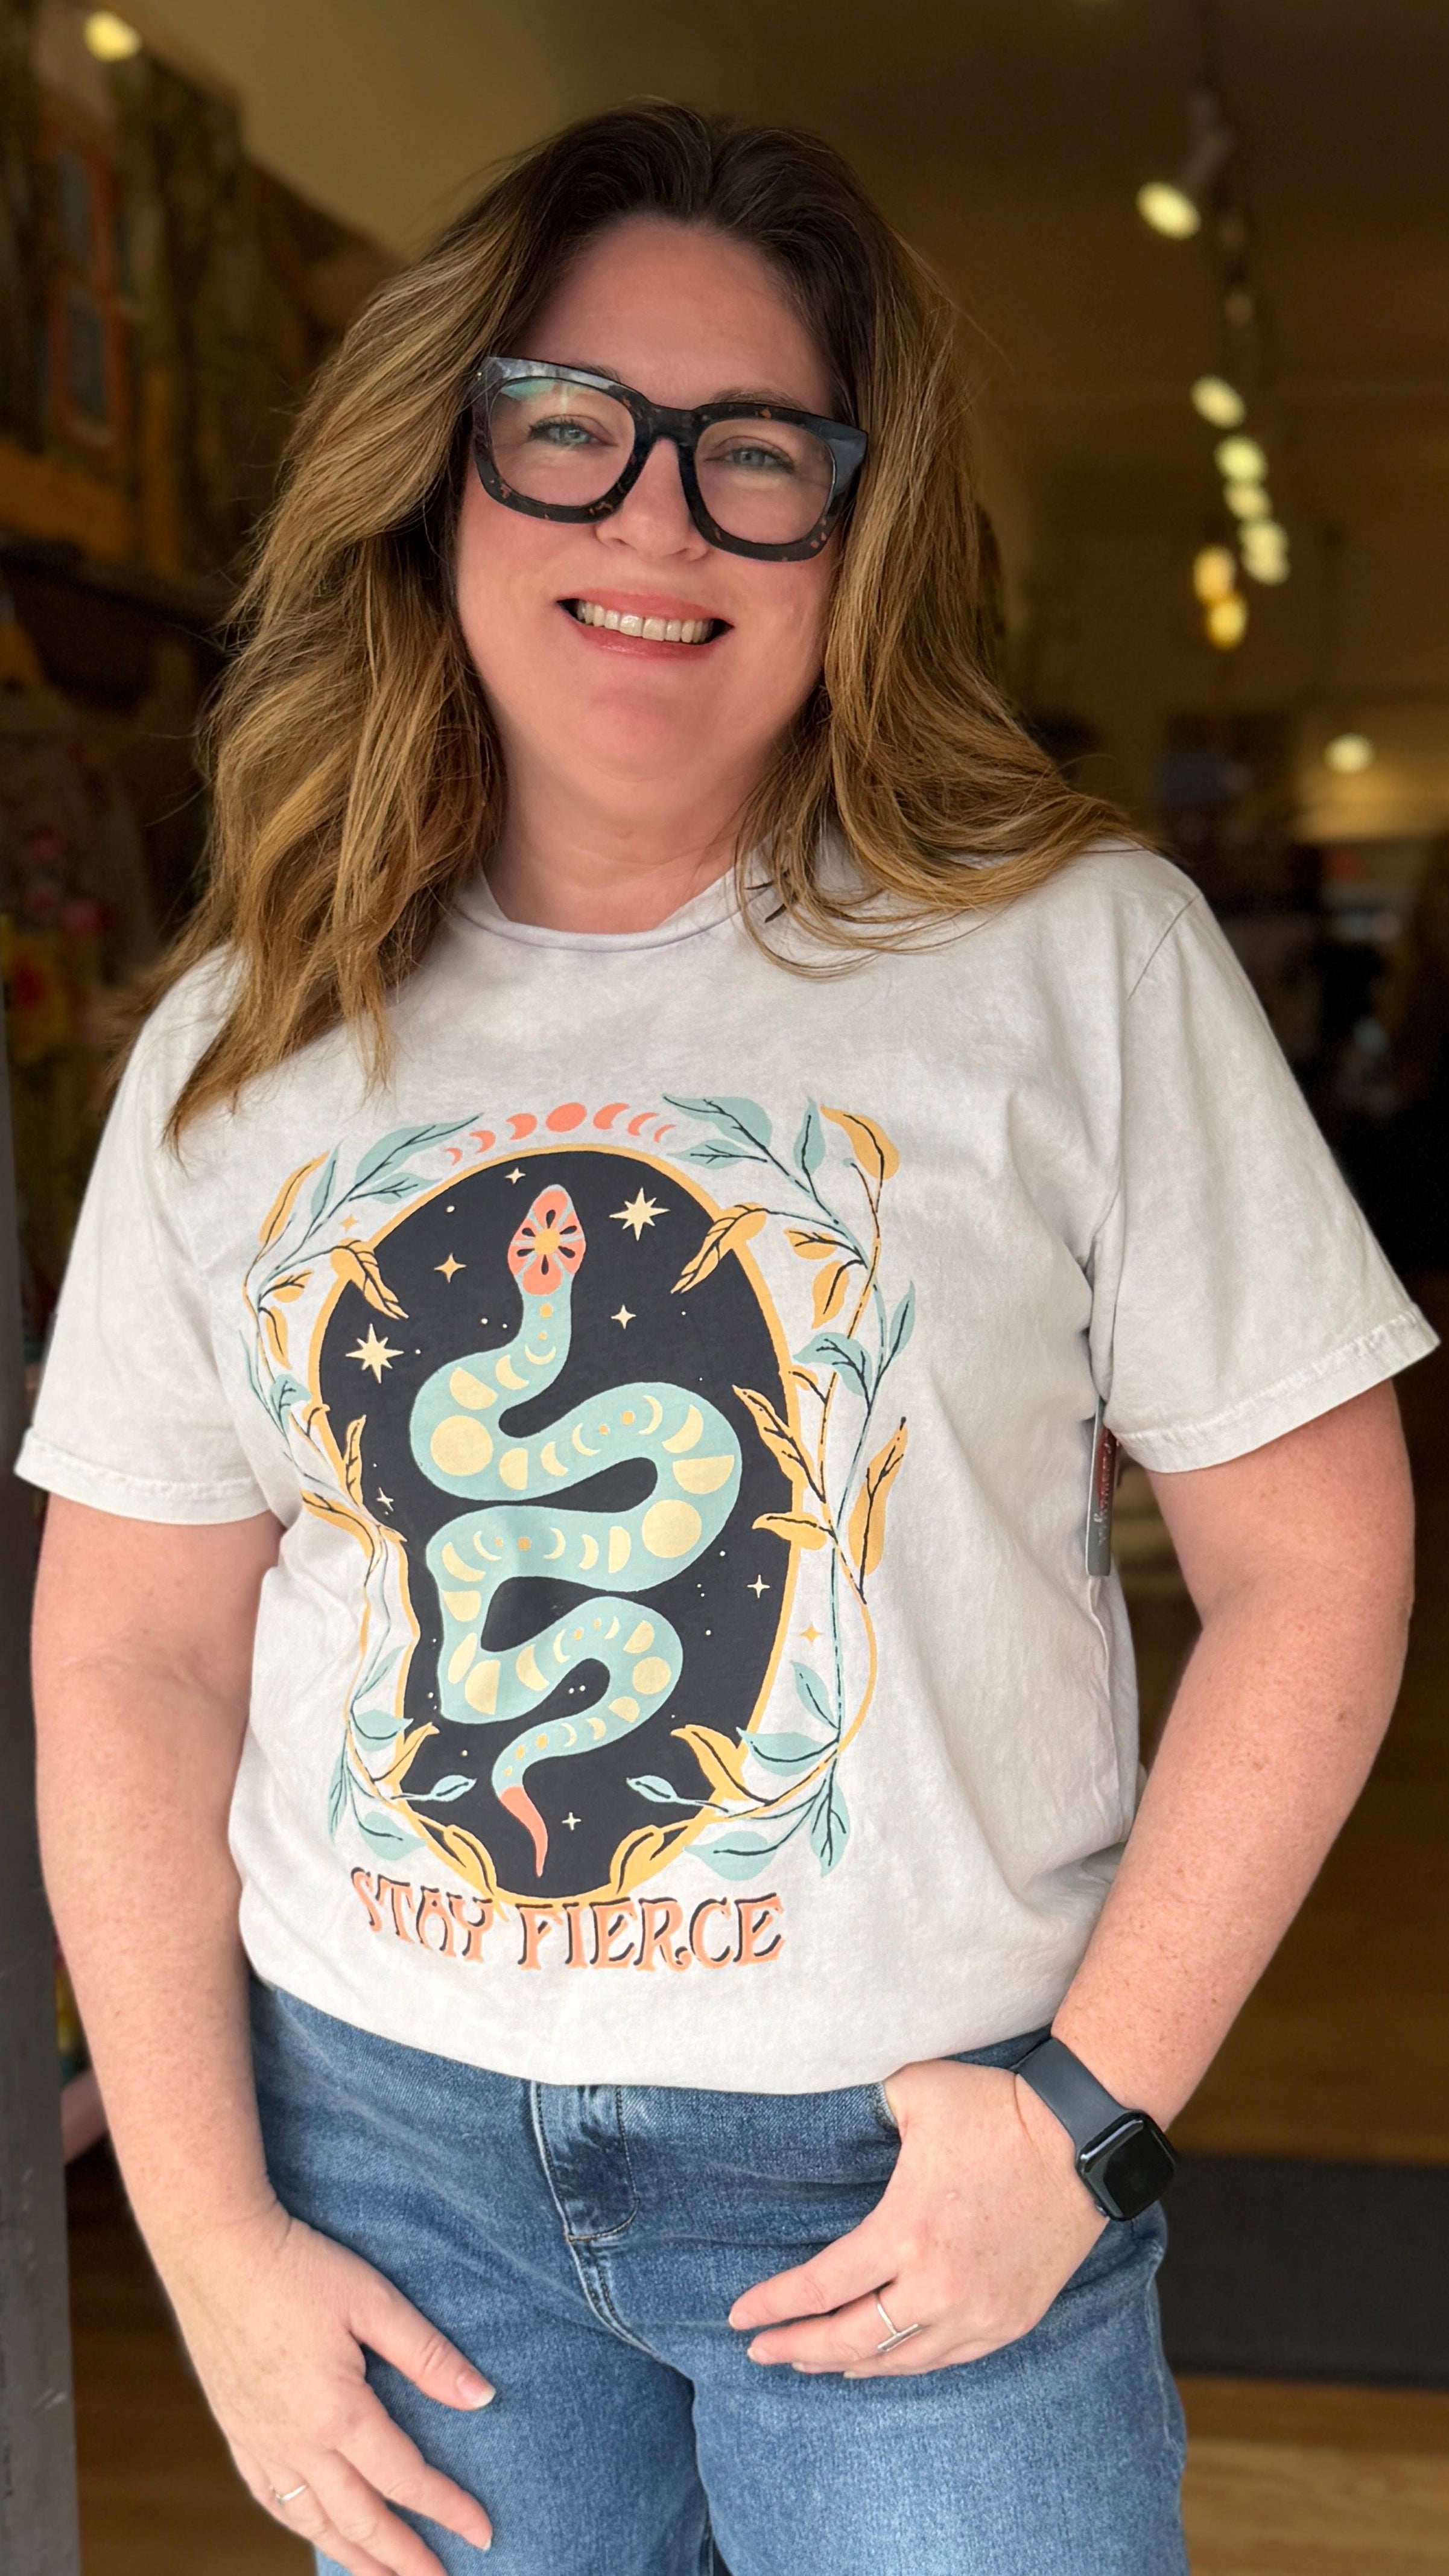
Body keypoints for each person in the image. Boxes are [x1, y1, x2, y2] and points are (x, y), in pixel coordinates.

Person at [20, 104, 1430, 2576]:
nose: (656, 519)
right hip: (392, 2164)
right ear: (441, 477)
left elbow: (1315, 1563)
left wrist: (1086, 2119)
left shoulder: (1068, 957)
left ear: (851, 532)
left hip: (916, 2172)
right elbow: (131, 1645)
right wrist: (209, 2238)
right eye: (567, 426)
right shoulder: (247, 1039)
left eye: (754, 453)